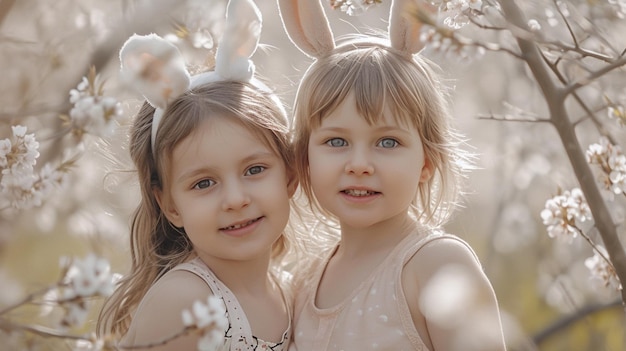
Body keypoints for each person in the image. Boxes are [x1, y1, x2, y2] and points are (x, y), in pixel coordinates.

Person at [278, 0, 507, 350]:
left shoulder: (435, 265)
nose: (359, 164)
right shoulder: (304, 282)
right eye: (336, 141)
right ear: (304, 158)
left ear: (426, 162)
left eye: (387, 142)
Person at [97, 0, 299, 350]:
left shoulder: (291, 289)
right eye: (204, 183)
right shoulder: (185, 301)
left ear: (291, 174)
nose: (236, 199)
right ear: (170, 205)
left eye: (254, 169)